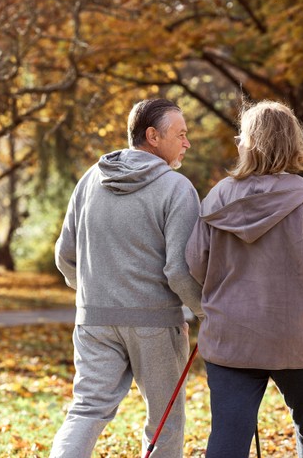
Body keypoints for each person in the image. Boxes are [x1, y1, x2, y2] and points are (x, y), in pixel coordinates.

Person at [185, 100, 303, 458]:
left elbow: (195, 262)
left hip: (231, 338)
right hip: (297, 339)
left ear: (249, 143)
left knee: (227, 435)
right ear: (291, 143)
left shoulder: (218, 197)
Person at [49, 98, 204, 458]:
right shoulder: (178, 189)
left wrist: (95, 293)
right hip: (155, 324)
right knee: (164, 422)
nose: (187, 143)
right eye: (180, 134)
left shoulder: (90, 178)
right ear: (152, 135)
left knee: (86, 410)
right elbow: (179, 271)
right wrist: (206, 312)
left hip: (93, 321)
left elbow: (64, 255)